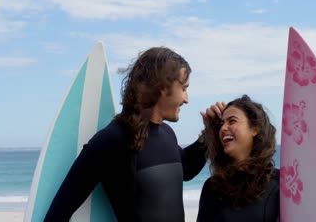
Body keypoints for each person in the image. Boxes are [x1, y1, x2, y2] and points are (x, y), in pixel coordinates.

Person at [45, 47, 207, 221]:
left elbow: (186, 169)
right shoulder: (113, 139)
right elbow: (59, 210)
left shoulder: (167, 133)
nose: (186, 99)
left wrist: (210, 133)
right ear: (161, 87)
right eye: (183, 88)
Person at [197, 95, 316, 222]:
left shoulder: (284, 184)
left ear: (255, 129)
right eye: (221, 124)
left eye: (232, 121)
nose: (223, 128)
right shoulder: (213, 188)